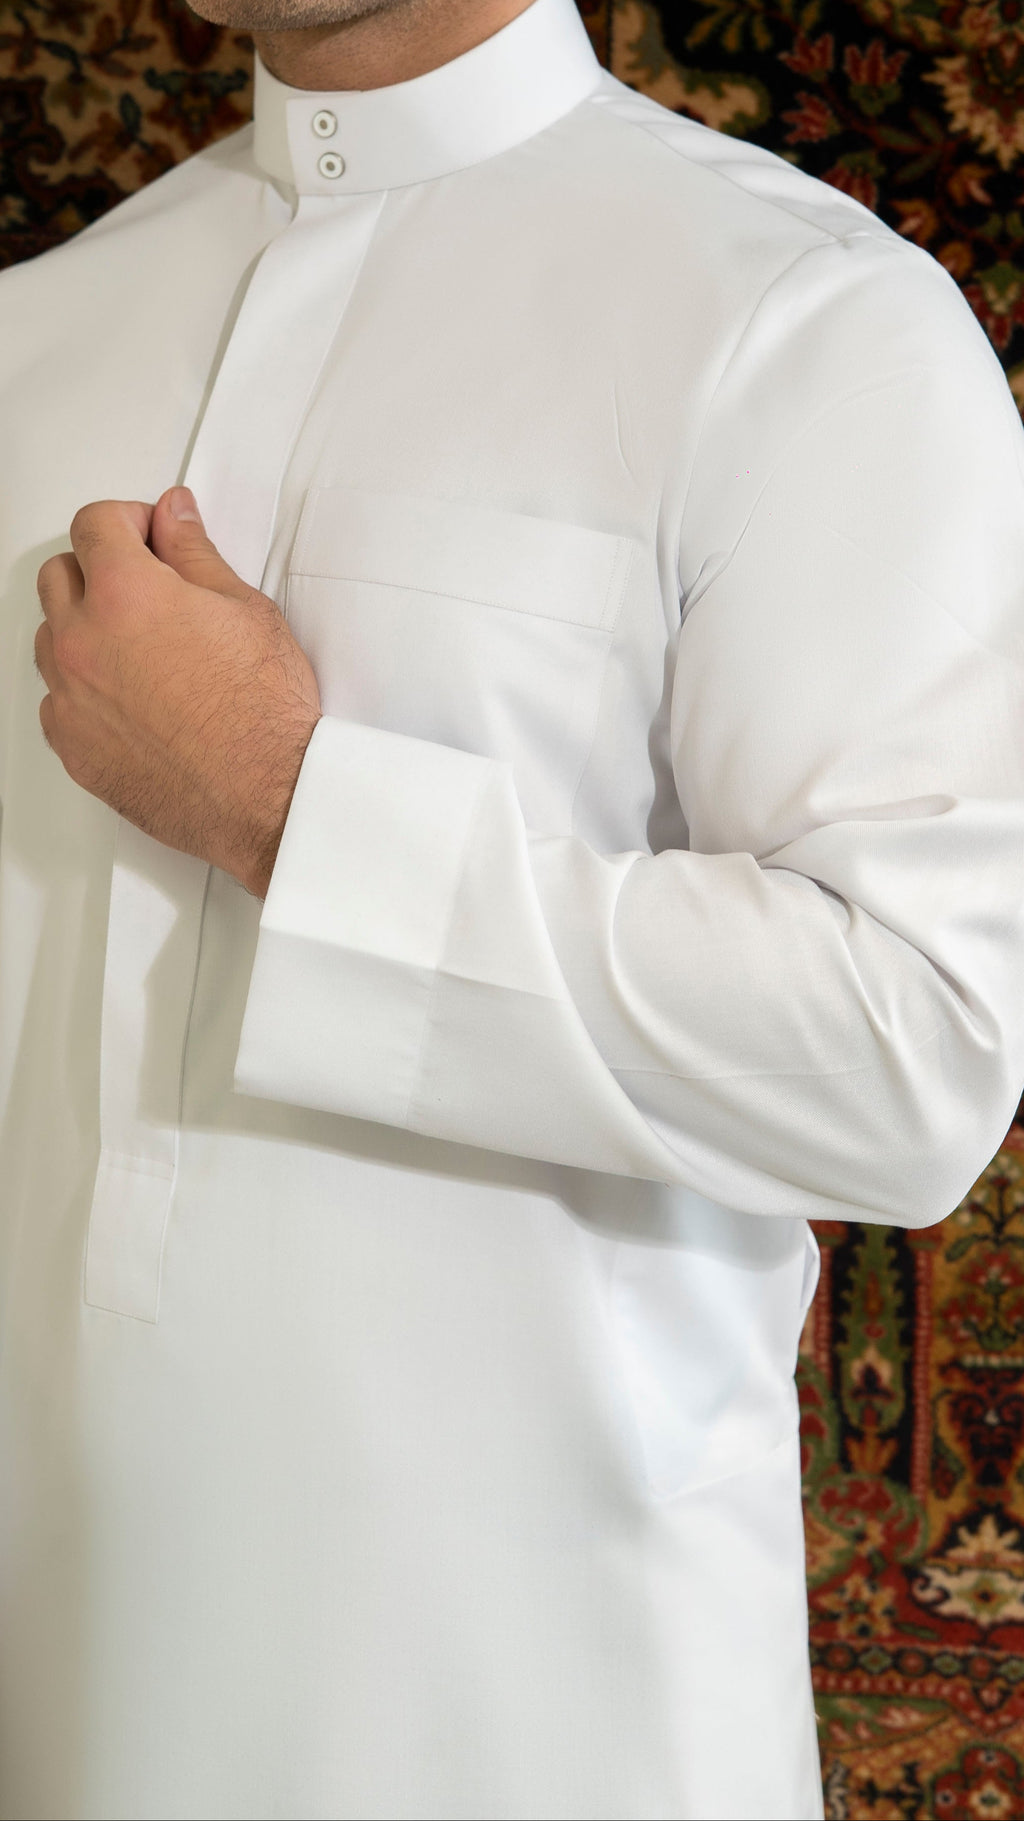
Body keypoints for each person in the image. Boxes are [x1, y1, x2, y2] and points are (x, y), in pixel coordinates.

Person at [1, 0, 1022, 1814]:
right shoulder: (37, 334)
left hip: (568, 1727)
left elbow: (914, 1053)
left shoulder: (804, 326)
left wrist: (289, 806)